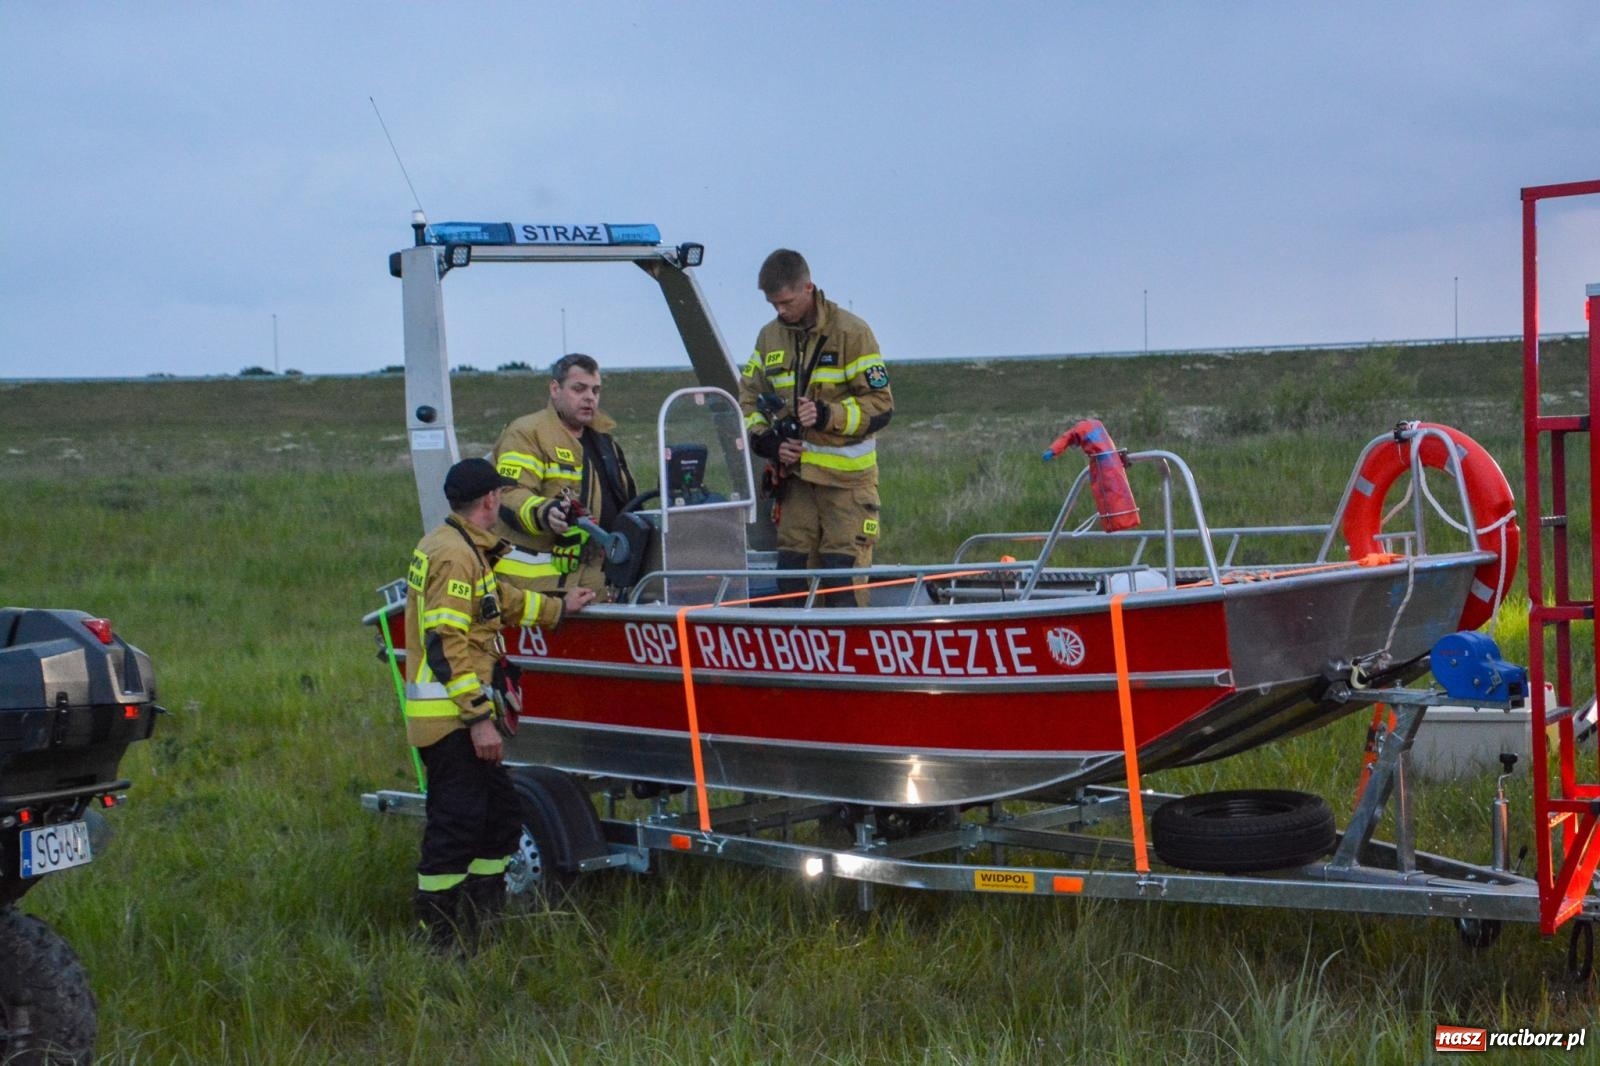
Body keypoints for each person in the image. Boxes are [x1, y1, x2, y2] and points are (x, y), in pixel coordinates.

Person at [404, 457, 596, 947]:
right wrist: (478, 720)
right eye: (500, 494)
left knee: (501, 819)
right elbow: (445, 642)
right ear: (490, 500)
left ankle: (481, 918)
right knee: (457, 827)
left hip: (459, 716)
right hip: (451, 720)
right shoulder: (454, 556)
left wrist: (559, 607)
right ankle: (440, 937)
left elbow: (500, 602)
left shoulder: (459, 545)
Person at [738, 249, 893, 606]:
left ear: (808, 287)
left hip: (847, 488)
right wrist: (767, 441)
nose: (780, 311)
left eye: (786, 302)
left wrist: (827, 416)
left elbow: (881, 405)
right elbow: (747, 397)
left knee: (842, 587)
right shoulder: (769, 337)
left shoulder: (852, 333)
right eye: (773, 304)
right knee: (792, 583)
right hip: (796, 486)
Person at [491, 353, 638, 597]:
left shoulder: (605, 442)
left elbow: (627, 503)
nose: (590, 397)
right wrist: (546, 512)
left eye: (595, 390)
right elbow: (508, 494)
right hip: (543, 586)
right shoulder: (527, 433)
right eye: (579, 389)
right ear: (555, 389)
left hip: (602, 574)